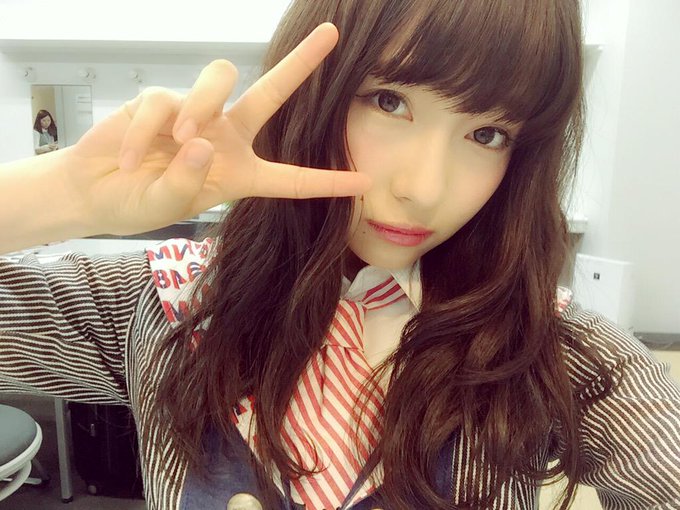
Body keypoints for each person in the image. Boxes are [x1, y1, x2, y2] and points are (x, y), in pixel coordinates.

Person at [1, 1, 679, 509]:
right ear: (312, 96)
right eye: (390, 101)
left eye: (488, 134)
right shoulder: (167, 304)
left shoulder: (560, 352)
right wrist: (66, 195)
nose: (424, 190)